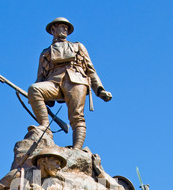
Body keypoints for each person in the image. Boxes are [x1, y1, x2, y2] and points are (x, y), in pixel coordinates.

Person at [28, 17, 112, 150]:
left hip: (76, 79)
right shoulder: (45, 53)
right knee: (34, 89)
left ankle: (77, 148)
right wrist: (31, 96)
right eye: (62, 26)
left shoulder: (77, 46)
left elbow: (90, 70)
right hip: (53, 82)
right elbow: (40, 77)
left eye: (67, 27)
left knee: (77, 116)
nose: (65, 29)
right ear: (53, 29)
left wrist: (100, 90)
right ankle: (45, 126)